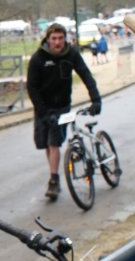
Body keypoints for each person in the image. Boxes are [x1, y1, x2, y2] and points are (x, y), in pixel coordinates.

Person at [26, 23, 102, 200]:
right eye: (54, 39)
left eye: (60, 38)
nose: (57, 42)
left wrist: (96, 99)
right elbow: (32, 87)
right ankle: (53, 172)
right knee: (45, 143)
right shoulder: (38, 58)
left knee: (54, 142)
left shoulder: (71, 54)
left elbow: (86, 75)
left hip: (62, 106)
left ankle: (54, 179)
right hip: (43, 107)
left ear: (65, 39)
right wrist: (42, 111)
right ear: (47, 39)